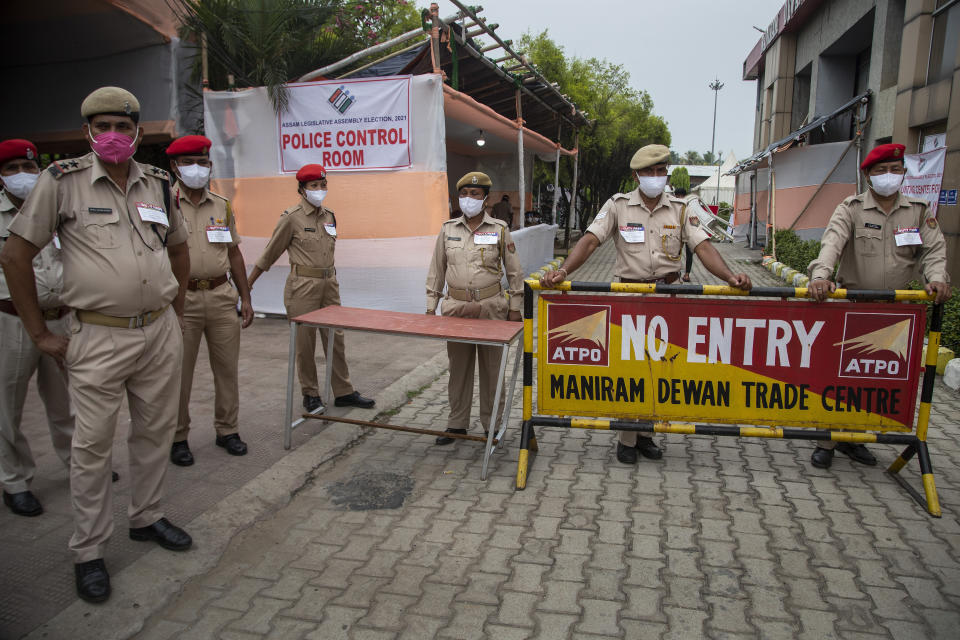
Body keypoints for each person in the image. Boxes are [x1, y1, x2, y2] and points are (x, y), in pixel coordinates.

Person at [0, 87, 194, 603]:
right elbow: (16, 256)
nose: (113, 135)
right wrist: (40, 332)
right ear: (87, 131)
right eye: (102, 126)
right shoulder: (59, 182)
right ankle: (89, 551)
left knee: (155, 434)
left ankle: (147, 517)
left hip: (158, 332)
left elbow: (178, 251)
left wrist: (172, 315)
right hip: (98, 335)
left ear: (136, 131)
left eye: (122, 126)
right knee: (91, 448)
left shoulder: (157, 184)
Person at [539, 144, 752, 465]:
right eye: (648, 172)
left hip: (668, 300)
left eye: (660, 171)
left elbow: (703, 247)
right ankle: (627, 436)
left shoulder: (680, 208)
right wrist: (564, 271)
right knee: (631, 370)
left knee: (662, 368)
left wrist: (730, 276)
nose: (655, 177)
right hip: (630, 299)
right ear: (636, 175)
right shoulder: (618, 206)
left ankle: (648, 434)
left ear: (666, 173)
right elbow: (589, 241)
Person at [807, 142, 951, 470]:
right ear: (868, 175)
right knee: (838, 379)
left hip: (895, 313)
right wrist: (820, 276)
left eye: (895, 169)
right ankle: (826, 440)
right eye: (881, 171)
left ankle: (856, 439)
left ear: (904, 172)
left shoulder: (918, 210)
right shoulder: (852, 208)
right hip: (853, 308)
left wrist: (937, 278)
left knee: (875, 381)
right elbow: (832, 243)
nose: (889, 176)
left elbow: (933, 251)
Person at [248, 164, 374, 413]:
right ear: (302, 189)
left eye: (323, 185)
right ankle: (311, 393)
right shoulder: (291, 217)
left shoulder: (329, 215)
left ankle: (344, 391)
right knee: (305, 344)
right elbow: (270, 253)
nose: (320, 190)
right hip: (302, 287)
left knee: (335, 339)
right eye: (314, 186)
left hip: (329, 285)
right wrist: (248, 284)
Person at [166, 135, 254, 467]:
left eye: (203, 162)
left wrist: (245, 296)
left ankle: (227, 430)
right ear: (174, 167)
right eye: (189, 162)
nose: (197, 169)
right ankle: (177, 437)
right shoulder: (163, 204)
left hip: (220, 296)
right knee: (179, 374)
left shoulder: (222, 205)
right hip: (180, 299)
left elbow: (233, 254)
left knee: (227, 370)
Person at [0, 139, 73, 517]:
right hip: (11, 321)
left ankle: (76, 464)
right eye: (12, 169)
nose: (22, 176)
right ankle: (14, 480)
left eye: (28, 168)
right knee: (7, 406)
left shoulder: (55, 210)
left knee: (65, 402)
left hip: (60, 318)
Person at [426, 171, 524, 444]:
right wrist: (429, 307)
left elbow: (515, 272)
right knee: (459, 368)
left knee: (492, 370)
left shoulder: (500, 229)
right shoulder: (448, 229)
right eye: (465, 194)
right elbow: (436, 270)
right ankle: (456, 424)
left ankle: (492, 425)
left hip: (491, 307)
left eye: (475, 194)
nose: (469, 199)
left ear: (486, 198)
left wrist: (515, 307)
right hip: (456, 307)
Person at [672, 187, 696, 282]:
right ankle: (686, 274)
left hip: (679, 233)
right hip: (686, 233)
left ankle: (679, 273)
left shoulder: (676, 206)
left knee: (676, 253)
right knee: (688, 254)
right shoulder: (689, 206)